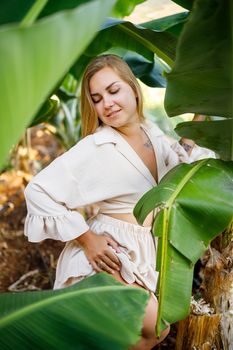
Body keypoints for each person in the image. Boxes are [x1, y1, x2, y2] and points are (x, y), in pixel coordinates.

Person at [24, 54, 214, 349]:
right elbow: (37, 190)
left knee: (155, 332)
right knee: (151, 321)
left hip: (142, 251)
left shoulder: (151, 133)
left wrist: (200, 115)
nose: (107, 104)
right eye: (97, 98)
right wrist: (88, 240)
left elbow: (179, 162)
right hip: (106, 253)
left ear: (133, 89)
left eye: (113, 91)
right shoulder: (97, 147)